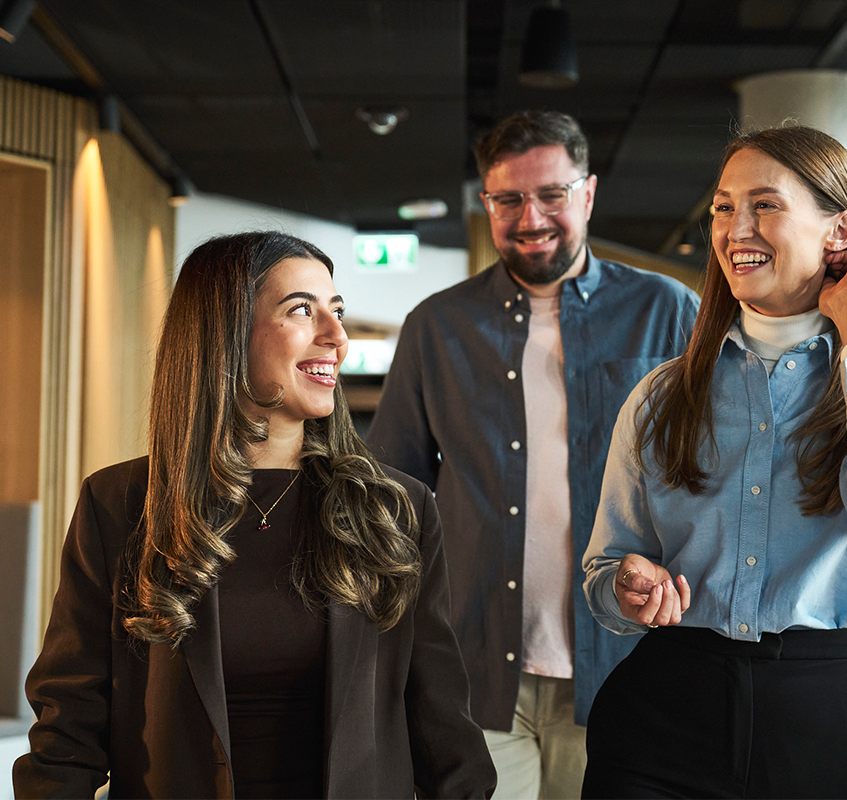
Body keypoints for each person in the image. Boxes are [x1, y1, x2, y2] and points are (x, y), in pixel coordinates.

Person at [13, 231, 496, 799]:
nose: (337, 337)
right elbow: (68, 725)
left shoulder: (397, 509)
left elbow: (442, 726)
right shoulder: (120, 504)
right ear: (226, 332)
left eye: (335, 312)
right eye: (301, 310)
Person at [581, 125, 847, 799]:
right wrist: (625, 586)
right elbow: (605, 572)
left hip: (836, 719)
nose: (737, 228)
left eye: (765, 204)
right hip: (665, 716)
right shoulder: (661, 397)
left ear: (839, 231)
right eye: (724, 208)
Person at [366, 110, 700, 799]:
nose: (531, 217)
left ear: (588, 193)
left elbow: (715, 474)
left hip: (629, 664)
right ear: (486, 203)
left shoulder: (669, 312)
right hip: (477, 669)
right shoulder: (437, 326)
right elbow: (391, 493)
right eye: (508, 199)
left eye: (551, 194)